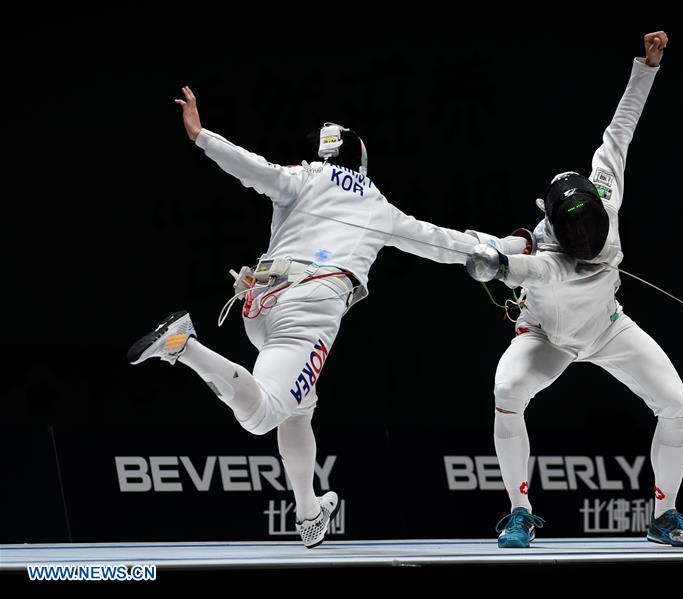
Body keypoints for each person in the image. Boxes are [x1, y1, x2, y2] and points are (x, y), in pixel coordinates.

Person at [128, 86, 528, 548]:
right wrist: (510, 247)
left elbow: (251, 167)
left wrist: (202, 136)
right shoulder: (376, 205)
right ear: (360, 159)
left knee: (299, 407)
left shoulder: (301, 177)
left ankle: (308, 512)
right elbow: (445, 243)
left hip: (258, 303)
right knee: (263, 415)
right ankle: (185, 346)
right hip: (310, 309)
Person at [466, 31, 683, 548]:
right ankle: (519, 512)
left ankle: (664, 516)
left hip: (607, 329)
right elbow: (523, 269)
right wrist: (492, 260)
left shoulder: (605, 190)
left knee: (677, 404)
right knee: (507, 392)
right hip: (546, 338)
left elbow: (621, 129)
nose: (586, 236)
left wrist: (646, 68)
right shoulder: (546, 253)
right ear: (551, 222)